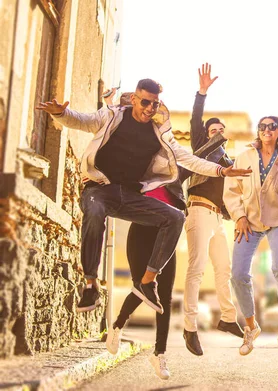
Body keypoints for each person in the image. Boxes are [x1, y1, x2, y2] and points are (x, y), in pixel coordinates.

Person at [35, 80, 251, 315]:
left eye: (155, 104)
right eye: (145, 102)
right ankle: (90, 285)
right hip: (100, 190)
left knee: (175, 218)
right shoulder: (111, 116)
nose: (149, 108)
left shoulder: (160, 132)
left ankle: (147, 282)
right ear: (134, 99)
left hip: (130, 196)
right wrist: (61, 113)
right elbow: (81, 121)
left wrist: (221, 170)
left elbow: (188, 159)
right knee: (95, 211)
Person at [101, 88, 181, 380]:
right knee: (140, 286)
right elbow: (115, 138)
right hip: (141, 228)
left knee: (164, 295)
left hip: (166, 236)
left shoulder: (175, 169)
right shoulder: (143, 162)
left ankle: (159, 354)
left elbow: (200, 157)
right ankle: (118, 326)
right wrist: (107, 104)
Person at [223, 116, 278, 356]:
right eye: (262, 126)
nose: (266, 130)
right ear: (258, 131)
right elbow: (231, 191)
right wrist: (238, 216)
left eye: (272, 127)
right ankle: (251, 328)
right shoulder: (245, 155)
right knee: (238, 274)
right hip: (248, 221)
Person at [182, 64, 244, 357]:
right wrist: (202, 92)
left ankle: (229, 318)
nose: (217, 133)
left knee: (224, 268)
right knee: (196, 269)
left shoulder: (229, 162)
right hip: (198, 211)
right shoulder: (201, 148)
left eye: (221, 131)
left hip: (217, 218)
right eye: (213, 130)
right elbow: (196, 119)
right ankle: (189, 327)